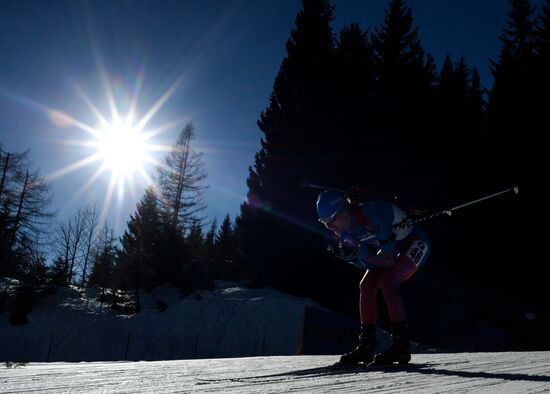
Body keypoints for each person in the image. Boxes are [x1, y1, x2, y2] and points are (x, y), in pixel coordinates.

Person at [316, 189, 430, 366]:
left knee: (388, 281)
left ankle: (401, 345)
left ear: (344, 210)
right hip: (394, 247)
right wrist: (353, 258)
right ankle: (367, 345)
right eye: (323, 222)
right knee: (366, 284)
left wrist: (361, 254)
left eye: (331, 220)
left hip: (414, 241)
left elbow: (389, 261)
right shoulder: (346, 231)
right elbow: (369, 264)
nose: (330, 227)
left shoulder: (372, 215)